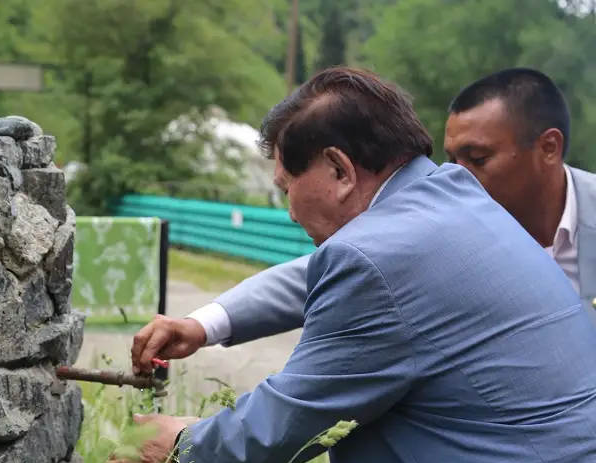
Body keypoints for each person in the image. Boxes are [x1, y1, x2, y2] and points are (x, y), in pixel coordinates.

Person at [106, 67, 596, 463]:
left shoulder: (377, 256)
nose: (290, 212)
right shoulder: (454, 200)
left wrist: (183, 449)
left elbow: (297, 412)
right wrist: (204, 325)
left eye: (286, 187)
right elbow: (326, 279)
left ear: (340, 170)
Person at [128, 68, 596, 383]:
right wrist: (203, 324)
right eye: (451, 158)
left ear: (549, 148)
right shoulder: (448, 223)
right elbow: (328, 273)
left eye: (478, 158)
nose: (457, 175)